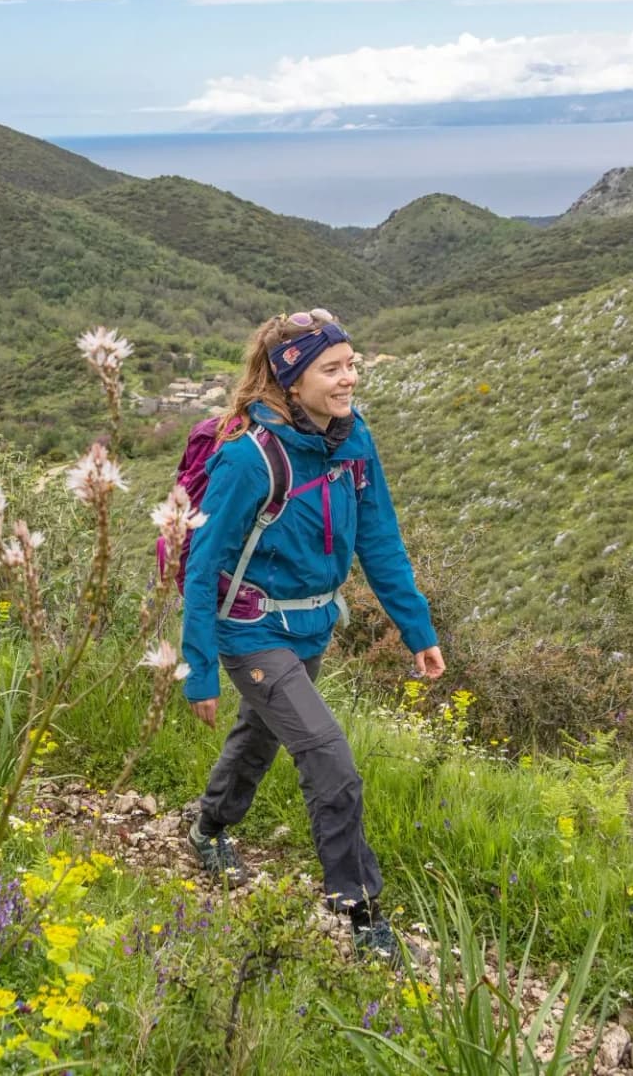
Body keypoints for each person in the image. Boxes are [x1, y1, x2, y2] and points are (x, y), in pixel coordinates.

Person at [180, 307, 446, 961]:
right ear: (292, 381)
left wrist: (416, 628)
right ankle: (360, 913)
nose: (348, 378)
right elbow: (203, 564)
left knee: (261, 736)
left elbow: (379, 538)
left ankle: (208, 827)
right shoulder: (249, 459)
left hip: (313, 624)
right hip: (250, 629)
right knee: (331, 761)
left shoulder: (353, 441)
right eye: (332, 369)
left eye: (351, 364)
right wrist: (200, 665)